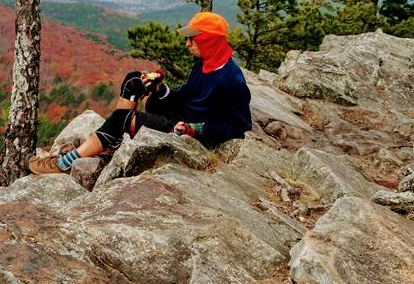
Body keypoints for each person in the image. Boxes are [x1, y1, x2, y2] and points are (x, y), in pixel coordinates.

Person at [28, 11, 252, 175]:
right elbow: (187, 95)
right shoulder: (204, 63)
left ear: (208, 40)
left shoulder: (229, 79)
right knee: (134, 81)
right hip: (183, 116)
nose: (187, 43)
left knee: (122, 118)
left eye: (192, 39)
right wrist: (160, 88)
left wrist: (197, 129)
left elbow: (240, 126)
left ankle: (63, 164)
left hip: (193, 132)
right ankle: (112, 140)